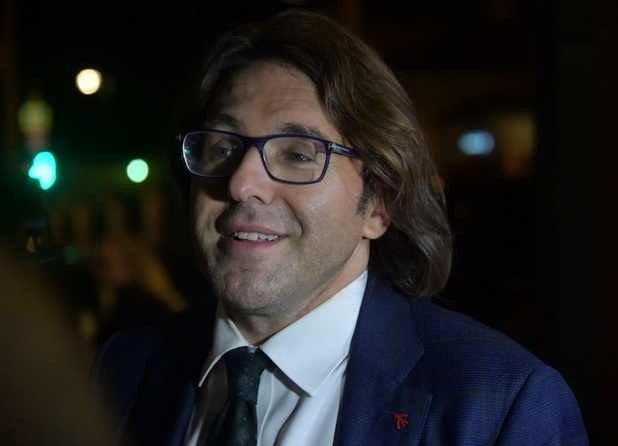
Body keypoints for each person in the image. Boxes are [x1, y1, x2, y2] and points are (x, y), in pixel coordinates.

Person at [93, 9, 589, 446]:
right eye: (223, 148)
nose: (242, 183)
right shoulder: (124, 368)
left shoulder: (501, 406)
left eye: (297, 155)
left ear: (379, 205)